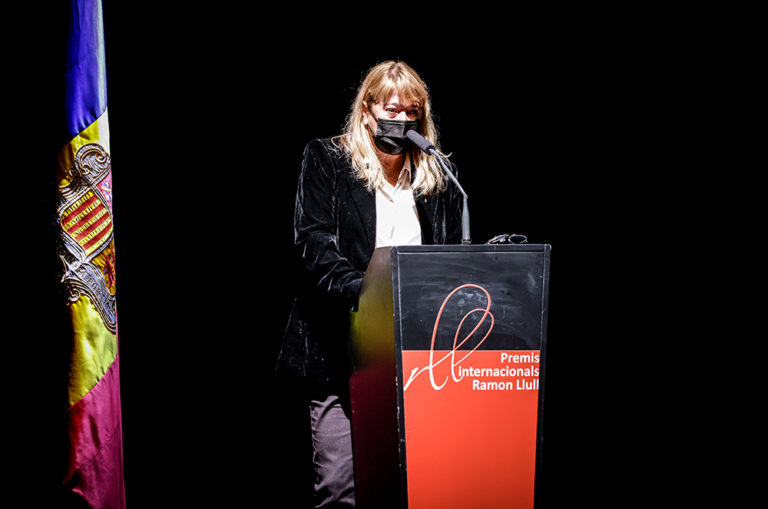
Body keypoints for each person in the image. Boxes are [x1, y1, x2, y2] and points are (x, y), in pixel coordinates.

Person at [276, 60, 463, 508]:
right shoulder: (328, 159)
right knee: (341, 488)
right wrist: (370, 296)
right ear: (366, 111)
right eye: (391, 110)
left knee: (420, 485)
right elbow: (313, 243)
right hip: (341, 352)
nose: (401, 120)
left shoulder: (437, 177)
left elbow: (451, 260)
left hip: (420, 359)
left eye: (412, 112)